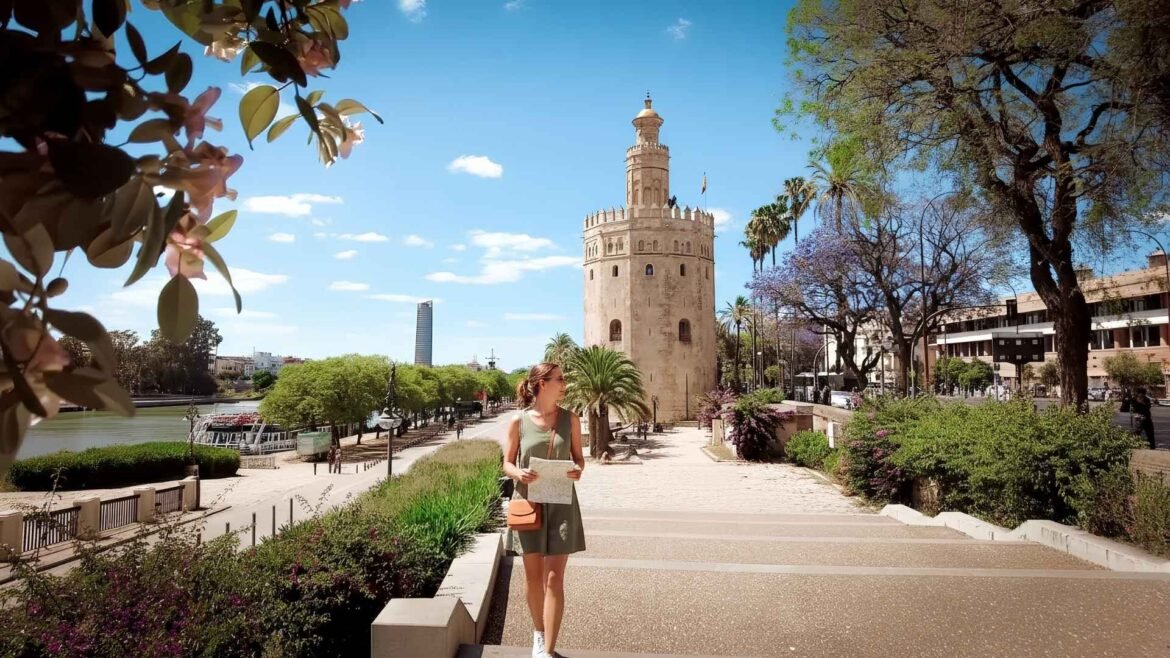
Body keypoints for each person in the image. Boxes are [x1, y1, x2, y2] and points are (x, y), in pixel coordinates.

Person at [503, 362, 586, 658]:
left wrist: (577, 469)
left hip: (562, 503)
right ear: (541, 383)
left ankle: (548, 648)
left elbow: (578, 458)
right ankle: (538, 634)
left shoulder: (571, 420)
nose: (564, 383)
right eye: (559, 379)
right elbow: (507, 462)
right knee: (533, 577)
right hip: (528, 503)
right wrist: (518, 474)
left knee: (555, 578)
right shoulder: (518, 421)